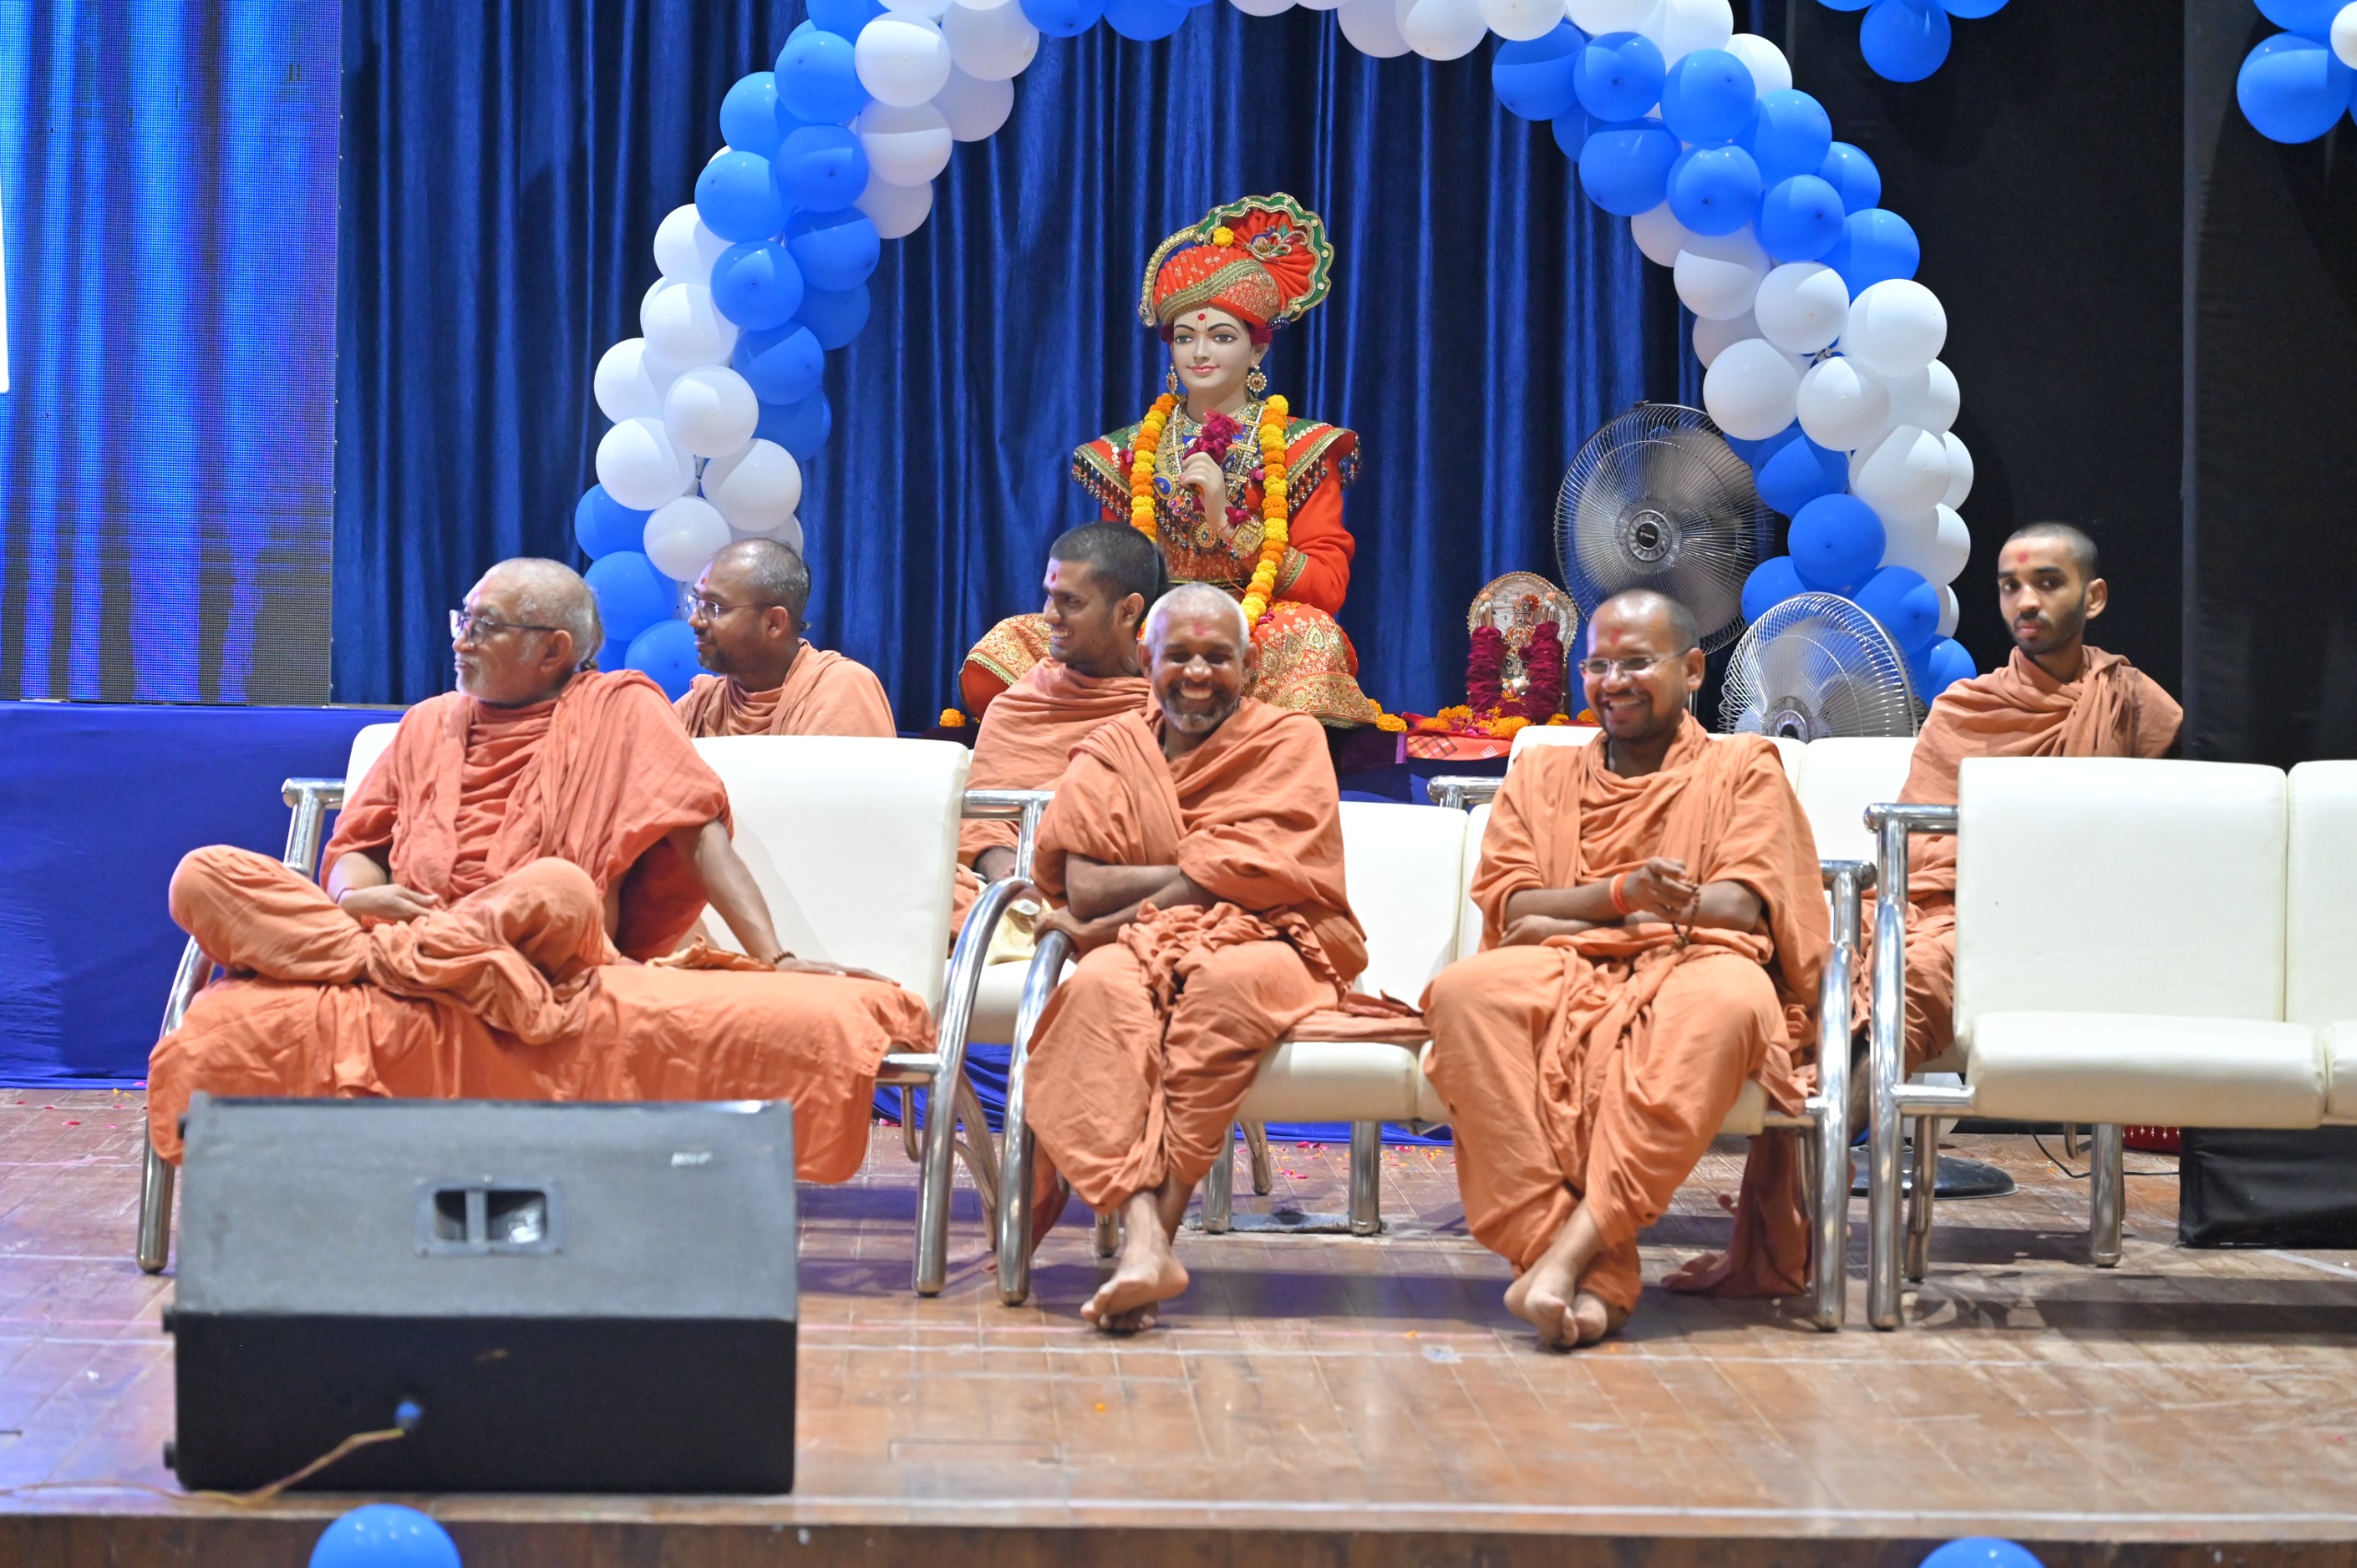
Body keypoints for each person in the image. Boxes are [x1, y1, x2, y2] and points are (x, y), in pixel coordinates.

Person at [147, 558, 930, 1181]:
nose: (461, 639)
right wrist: (358, 896)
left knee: (561, 886)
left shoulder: (621, 708)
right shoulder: (426, 722)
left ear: (554, 648)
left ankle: (394, 963)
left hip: (535, 948)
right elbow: (358, 844)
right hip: (401, 930)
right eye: (462, 619)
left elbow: (699, 838)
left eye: (484, 626)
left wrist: (777, 957)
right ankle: (417, 962)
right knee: (202, 872)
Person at [1422, 590, 1829, 1351]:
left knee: (1728, 1004)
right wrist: (1623, 896)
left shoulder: (1744, 767)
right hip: (1564, 962)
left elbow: (1738, 904)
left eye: (1637, 662)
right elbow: (1514, 905)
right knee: (1464, 993)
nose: (1613, 682)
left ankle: (1565, 1260)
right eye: (1599, 665)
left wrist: (1578, 917)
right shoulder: (1541, 771)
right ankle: (1589, 1273)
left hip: (1701, 962)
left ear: (1693, 669)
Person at [1019, 585, 1368, 1331]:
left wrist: (1159, 887)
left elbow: (1266, 874)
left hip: (1274, 939)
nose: (1198, 673)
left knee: (1219, 989)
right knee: (1096, 994)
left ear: (1251, 665)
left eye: (1218, 656)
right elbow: (1084, 885)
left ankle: (1154, 1241)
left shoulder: (1290, 740)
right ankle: (1145, 1241)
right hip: (1136, 944)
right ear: (1147, 660)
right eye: (1179, 655)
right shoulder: (1116, 748)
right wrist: (1206, 871)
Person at [959, 194, 1380, 728]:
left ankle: (1141, 717)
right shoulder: (1130, 450)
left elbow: (1327, 588)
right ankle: (1146, 714)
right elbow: (1114, 577)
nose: (1199, 352)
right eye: (1185, 337)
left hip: (1252, 628)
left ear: (1257, 350)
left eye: (1221, 336)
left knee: (1310, 637)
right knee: (1006, 646)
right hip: (1145, 629)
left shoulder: (1302, 448)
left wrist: (1228, 523)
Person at [1875, 522, 2182, 1073]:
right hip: (1965, 910)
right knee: (1882, 958)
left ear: (2094, 598)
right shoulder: (1965, 710)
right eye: (2010, 586)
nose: (2026, 601)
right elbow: (1919, 853)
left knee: (1919, 966)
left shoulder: (2131, 702)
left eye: (2048, 582)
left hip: (2093, 918)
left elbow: (2170, 841)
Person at [952, 523, 1158, 933]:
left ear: (1128, 611)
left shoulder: (1169, 710)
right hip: (1019, 895)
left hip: (1133, 902)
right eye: (1049, 595)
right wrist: (1008, 872)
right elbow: (983, 822)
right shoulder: (1019, 704)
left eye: (1071, 602)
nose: (1048, 615)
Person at [672, 539, 896, 738]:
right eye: (697, 602)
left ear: (774, 622)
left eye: (715, 607)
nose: (694, 620)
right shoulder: (702, 703)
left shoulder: (840, 688)